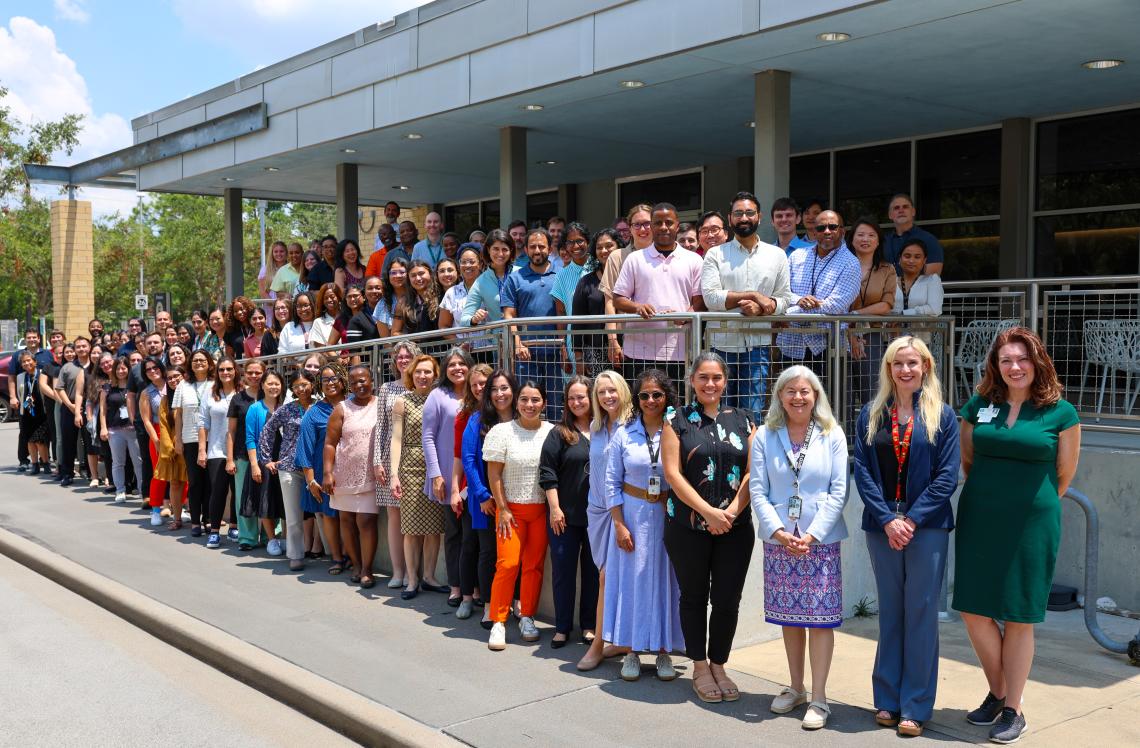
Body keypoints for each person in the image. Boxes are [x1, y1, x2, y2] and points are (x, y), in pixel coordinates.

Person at [954, 327, 1080, 744]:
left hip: (1032, 522)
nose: (1014, 366)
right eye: (1006, 360)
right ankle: (999, 690)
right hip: (980, 517)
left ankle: (1013, 708)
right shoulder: (978, 406)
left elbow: (1064, 475)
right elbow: (968, 459)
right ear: (996, 365)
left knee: (1019, 616)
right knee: (974, 609)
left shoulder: (1061, 412)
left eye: (1022, 359)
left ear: (1037, 362)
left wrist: (1026, 501)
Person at [851, 337, 960, 738]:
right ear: (889, 369)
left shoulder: (944, 416)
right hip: (882, 529)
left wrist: (910, 520)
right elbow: (861, 470)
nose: (906, 370)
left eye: (913, 363)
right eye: (898, 363)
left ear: (926, 367)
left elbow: (948, 476)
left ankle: (915, 705)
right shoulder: (870, 414)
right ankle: (887, 699)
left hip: (926, 528)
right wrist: (886, 519)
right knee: (891, 613)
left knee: (920, 615)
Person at [749, 365, 849, 730]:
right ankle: (796, 687)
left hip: (818, 541)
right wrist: (777, 531)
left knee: (820, 621)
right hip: (780, 540)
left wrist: (813, 534)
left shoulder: (831, 433)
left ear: (817, 395)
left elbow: (839, 490)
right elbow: (758, 489)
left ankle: (820, 698)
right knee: (790, 618)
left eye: (805, 391)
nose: (798, 397)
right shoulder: (765, 435)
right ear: (779, 395)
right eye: (790, 390)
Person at [662, 353, 757, 703]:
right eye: (703, 377)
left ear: (726, 381)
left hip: (736, 524)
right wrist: (708, 513)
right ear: (691, 380)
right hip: (687, 525)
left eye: (716, 377)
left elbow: (752, 470)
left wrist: (730, 511)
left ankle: (719, 663)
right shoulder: (676, 420)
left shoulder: (745, 419)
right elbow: (672, 474)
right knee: (694, 597)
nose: (710, 384)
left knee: (728, 599)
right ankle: (699, 666)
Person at [603, 369, 684, 681]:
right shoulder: (624, 433)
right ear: (636, 400)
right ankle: (632, 651)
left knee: (666, 581)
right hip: (632, 517)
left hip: (666, 514)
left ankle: (664, 651)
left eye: (657, 395)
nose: (651, 400)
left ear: (667, 397)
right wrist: (619, 524)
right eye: (644, 395)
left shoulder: (676, 431)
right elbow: (611, 482)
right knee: (632, 583)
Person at [701, 191, 794, 414]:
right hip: (720, 345)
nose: (744, 218)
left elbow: (784, 299)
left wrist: (763, 309)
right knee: (720, 411)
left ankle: (751, 451)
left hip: (758, 346)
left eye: (749, 213)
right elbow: (711, 298)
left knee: (751, 413)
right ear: (730, 218)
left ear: (759, 217)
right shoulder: (715, 254)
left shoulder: (777, 255)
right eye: (738, 213)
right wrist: (753, 295)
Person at [484, 380, 555, 651]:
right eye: (524, 399)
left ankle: (527, 616)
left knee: (534, 566)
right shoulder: (502, 432)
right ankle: (498, 621)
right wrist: (502, 508)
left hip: (540, 511)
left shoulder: (551, 432)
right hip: (510, 512)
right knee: (508, 564)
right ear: (517, 402)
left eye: (535, 399)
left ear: (544, 403)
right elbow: (494, 473)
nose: (529, 405)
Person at [576, 370, 633, 671]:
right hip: (596, 511)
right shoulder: (596, 427)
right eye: (601, 392)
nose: (608, 396)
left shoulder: (634, 426)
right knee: (607, 575)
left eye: (612, 390)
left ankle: (599, 643)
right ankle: (622, 641)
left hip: (623, 512)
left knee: (606, 577)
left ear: (622, 391)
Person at [612, 203, 704, 383]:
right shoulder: (635, 259)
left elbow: (699, 300)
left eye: (669, 222)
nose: (663, 227)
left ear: (677, 225)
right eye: (658, 223)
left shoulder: (694, 260)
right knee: (641, 406)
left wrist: (685, 315)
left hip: (679, 350)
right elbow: (618, 299)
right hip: (638, 351)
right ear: (652, 226)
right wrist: (637, 307)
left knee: (676, 408)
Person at [539, 376, 599, 648]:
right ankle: (562, 627)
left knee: (593, 573)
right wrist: (554, 509)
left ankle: (589, 625)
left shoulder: (603, 429)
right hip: (564, 517)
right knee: (563, 572)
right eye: (572, 398)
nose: (577, 402)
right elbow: (547, 473)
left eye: (582, 397)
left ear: (592, 398)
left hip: (598, 518)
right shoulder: (559, 433)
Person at [461, 369, 517, 630]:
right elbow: (469, 460)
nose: (499, 394)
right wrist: (483, 495)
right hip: (485, 500)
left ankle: (514, 601)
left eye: (504, 388)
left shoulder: (522, 417)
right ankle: (488, 605)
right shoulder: (477, 419)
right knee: (489, 554)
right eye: (494, 389)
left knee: (515, 554)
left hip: (517, 498)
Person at [388, 354, 447, 600]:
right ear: (411, 375)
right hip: (411, 466)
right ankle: (412, 580)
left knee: (434, 528)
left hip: (437, 466)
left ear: (435, 375)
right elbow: (397, 439)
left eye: (428, 372)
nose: (423, 376)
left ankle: (429, 577)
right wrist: (394, 473)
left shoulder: (441, 399)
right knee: (411, 528)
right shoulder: (403, 401)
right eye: (418, 372)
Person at [776, 210, 861, 378]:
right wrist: (799, 300)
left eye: (832, 227)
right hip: (792, 344)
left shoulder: (851, 263)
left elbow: (835, 306)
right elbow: (781, 291)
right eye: (821, 228)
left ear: (842, 231)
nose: (827, 231)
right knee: (790, 400)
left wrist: (787, 314)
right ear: (814, 232)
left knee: (828, 403)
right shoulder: (797, 256)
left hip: (828, 346)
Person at [423, 348, 474, 606]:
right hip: (448, 476)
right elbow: (428, 437)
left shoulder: (479, 392)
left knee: (473, 536)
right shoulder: (437, 395)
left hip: (474, 478)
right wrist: (435, 475)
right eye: (452, 364)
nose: (457, 368)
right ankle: (456, 585)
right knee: (454, 535)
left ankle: (473, 586)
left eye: (461, 364)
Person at [323, 364, 381, 588]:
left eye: (364, 380)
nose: (360, 385)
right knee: (346, 521)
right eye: (355, 381)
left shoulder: (380, 405)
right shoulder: (341, 408)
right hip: (343, 474)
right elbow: (330, 443)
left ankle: (367, 568)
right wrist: (328, 472)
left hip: (371, 474)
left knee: (366, 521)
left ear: (371, 380)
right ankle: (356, 565)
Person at [502, 228, 566, 418]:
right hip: (526, 353)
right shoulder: (515, 278)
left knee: (555, 404)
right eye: (533, 247)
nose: (537, 250)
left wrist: (564, 344)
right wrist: (517, 343)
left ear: (550, 248)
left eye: (541, 246)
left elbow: (563, 313)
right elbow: (509, 314)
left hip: (554, 351)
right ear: (527, 250)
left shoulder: (560, 274)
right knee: (528, 404)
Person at [260, 370, 319, 572]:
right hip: (290, 467)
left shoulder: (320, 407)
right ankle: (295, 554)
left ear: (311, 384)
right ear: (292, 390)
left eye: (304, 384)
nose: (301, 389)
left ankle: (332, 553)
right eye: (296, 386)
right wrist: (266, 458)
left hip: (315, 466)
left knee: (322, 514)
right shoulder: (287, 409)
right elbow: (268, 429)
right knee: (294, 516)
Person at [373, 341, 419, 588]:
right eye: (399, 356)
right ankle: (398, 571)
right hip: (390, 458)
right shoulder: (387, 389)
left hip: (416, 458)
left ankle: (417, 572)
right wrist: (377, 461)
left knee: (414, 515)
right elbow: (380, 426)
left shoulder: (424, 386)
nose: (403, 359)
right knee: (394, 515)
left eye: (408, 355)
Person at [449, 362, 492, 619]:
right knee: (469, 543)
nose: (478, 388)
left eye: (483, 383)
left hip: (492, 488)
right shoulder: (464, 416)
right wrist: (455, 489)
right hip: (469, 490)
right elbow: (458, 456)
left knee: (487, 547)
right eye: (474, 384)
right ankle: (467, 596)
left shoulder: (500, 412)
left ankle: (483, 594)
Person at [846, 217, 898, 427]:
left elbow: (886, 305)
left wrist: (857, 316)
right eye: (860, 234)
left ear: (878, 241)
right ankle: (846, 445)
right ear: (852, 239)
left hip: (871, 336)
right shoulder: (842, 265)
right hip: (841, 336)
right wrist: (851, 334)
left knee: (873, 394)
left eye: (871, 235)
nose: (865, 239)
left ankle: (873, 442)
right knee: (844, 396)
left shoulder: (887, 269)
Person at [294, 362, 346, 571]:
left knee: (350, 517)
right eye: (325, 380)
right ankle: (337, 558)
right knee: (329, 516)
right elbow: (305, 449)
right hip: (324, 473)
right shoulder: (313, 412)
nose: (330, 383)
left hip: (352, 471)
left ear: (342, 380)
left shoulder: (354, 404)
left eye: (334, 378)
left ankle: (354, 556)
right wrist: (311, 480)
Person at [600, 204, 654, 366]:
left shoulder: (665, 255)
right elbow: (609, 301)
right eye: (636, 224)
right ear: (630, 229)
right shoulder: (617, 257)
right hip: (626, 337)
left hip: (660, 334)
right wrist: (613, 340)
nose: (642, 229)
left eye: (647, 223)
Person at [244, 370, 286, 557]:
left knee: (285, 502)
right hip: (264, 463)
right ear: (262, 386)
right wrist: (255, 464)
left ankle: (286, 537)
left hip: (285, 462)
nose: (273, 387)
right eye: (269, 383)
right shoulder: (255, 409)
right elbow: (250, 438)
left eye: (277, 383)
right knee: (266, 502)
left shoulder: (286, 407)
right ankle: (271, 540)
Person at [197, 357, 238, 550]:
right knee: (217, 491)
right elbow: (203, 422)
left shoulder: (241, 392)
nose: (226, 373)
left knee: (238, 491)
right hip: (216, 450)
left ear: (235, 370)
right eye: (222, 369)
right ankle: (214, 531)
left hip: (239, 450)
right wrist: (202, 450)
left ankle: (234, 526)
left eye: (229, 369)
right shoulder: (210, 393)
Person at [569, 229, 620, 376]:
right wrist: (579, 358)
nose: (604, 251)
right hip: (594, 350)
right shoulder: (586, 282)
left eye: (609, 246)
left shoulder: (629, 277)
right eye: (599, 247)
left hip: (627, 348)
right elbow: (577, 322)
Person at [174, 349, 213, 536]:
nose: (198, 363)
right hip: (190, 439)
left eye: (202, 360)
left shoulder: (215, 384)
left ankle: (208, 519)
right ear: (190, 364)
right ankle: (196, 521)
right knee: (195, 482)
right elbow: (178, 414)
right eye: (195, 360)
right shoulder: (183, 385)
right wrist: (178, 439)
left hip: (212, 439)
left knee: (210, 482)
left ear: (209, 362)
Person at [227, 360, 264, 550]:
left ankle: (269, 536)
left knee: (268, 496)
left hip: (267, 456)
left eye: (258, 372)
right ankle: (247, 538)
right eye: (250, 372)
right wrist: (229, 459)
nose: (254, 376)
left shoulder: (272, 395)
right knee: (244, 497)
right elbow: (231, 432)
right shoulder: (237, 399)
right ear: (244, 374)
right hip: (242, 454)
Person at [9, 330, 54, 472]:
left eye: (34, 337)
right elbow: (11, 378)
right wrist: (13, 397)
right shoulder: (19, 369)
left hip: (42, 407)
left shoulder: (46, 356)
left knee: (41, 438)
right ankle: (28, 461)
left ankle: (45, 461)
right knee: (27, 436)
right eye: (29, 337)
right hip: (27, 407)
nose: (32, 339)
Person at [99, 356, 143, 500]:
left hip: (133, 429)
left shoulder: (135, 386)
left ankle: (143, 490)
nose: (121, 371)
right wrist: (103, 428)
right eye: (118, 368)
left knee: (138, 461)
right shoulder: (107, 388)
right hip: (115, 429)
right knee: (118, 461)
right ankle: (120, 490)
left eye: (124, 368)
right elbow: (103, 410)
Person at [138, 357, 173, 527]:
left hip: (176, 430)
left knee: (181, 473)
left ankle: (181, 507)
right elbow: (146, 420)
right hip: (158, 432)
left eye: (155, 367)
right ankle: (156, 510)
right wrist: (156, 439)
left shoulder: (173, 384)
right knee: (159, 474)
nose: (152, 371)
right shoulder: (146, 393)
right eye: (148, 369)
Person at [154, 364, 189, 531]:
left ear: (185, 376)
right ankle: (177, 518)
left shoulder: (192, 395)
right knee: (175, 484)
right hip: (175, 449)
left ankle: (203, 517)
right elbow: (163, 425)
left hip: (192, 444)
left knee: (196, 483)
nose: (174, 380)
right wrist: (170, 448)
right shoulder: (165, 400)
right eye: (170, 378)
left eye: (177, 376)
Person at [460, 229, 514, 331]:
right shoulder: (481, 282)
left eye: (505, 249)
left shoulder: (520, 273)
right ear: (488, 249)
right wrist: (474, 319)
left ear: (511, 251)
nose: (500, 254)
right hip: (498, 342)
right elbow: (464, 320)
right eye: (496, 249)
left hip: (524, 340)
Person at [54, 337, 89, 487]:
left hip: (90, 407)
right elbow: (59, 389)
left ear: (89, 347)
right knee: (68, 442)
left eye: (84, 346)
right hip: (69, 407)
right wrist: (70, 406)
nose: (81, 349)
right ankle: (67, 473)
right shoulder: (67, 367)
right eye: (78, 347)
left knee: (89, 441)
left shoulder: (95, 365)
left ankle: (89, 471)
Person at [885, 194, 944, 276]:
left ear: (913, 212)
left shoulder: (929, 239)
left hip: (919, 289)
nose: (901, 210)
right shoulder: (882, 242)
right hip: (887, 289)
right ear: (890, 215)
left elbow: (932, 277)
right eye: (896, 208)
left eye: (905, 207)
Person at [17, 351, 51, 475]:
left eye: (28, 360)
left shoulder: (42, 374)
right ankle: (35, 465)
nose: (27, 363)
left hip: (41, 413)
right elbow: (20, 395)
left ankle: (46, 463)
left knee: (40, 441)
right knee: (30, 441)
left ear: (35, 361)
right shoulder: (20, 377)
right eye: (24, 362)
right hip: (26, 413)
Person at [438, 244, 482, 336]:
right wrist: (459, 344)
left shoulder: (490, 287)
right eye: (464, 262)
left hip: (492, 347)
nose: (467, 265)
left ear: (480, 264)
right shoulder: (451, 293)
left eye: (471, 262)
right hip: (463, 348)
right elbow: (444, 326)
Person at [893, 239, 944, 318]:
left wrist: (903, 314)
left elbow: (935, 309)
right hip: (893, 330)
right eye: (907, 256)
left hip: (921, 330)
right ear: (900, 259)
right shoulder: (891, 281)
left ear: (924, 260)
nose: (911, 260)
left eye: (917, 257)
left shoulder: (932, 280)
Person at [391, 260, 441, 335]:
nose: (418, 278)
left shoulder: (441, 296)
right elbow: (395, 332)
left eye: (421, 273)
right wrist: (412, 341)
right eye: (413, 275)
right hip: (417, 345)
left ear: (430, 274)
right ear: (409, 279)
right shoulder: (403, 303)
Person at [372, 256, 408, 332]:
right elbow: (386, 342)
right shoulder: (382, 305)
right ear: (388, 276)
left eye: (402, 272)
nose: (398, 276)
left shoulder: (417, 296)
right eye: (393, 273)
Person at [311, 283, 342, 348]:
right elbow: (319, 348)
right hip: (329, 358)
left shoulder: (347, 317)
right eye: (326, 298)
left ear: (338, 297)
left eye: (332, 297)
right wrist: (337, 358)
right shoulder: (318, 322)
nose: (329, 300)